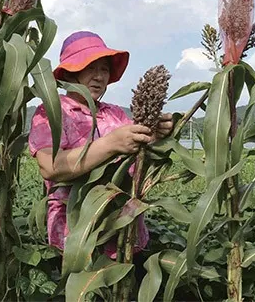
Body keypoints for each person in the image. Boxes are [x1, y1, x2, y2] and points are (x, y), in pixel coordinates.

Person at [28, 31, 174, 264]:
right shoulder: (52, 113)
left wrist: (153, 134)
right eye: (90, 67)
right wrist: (110, 144)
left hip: (125, 235)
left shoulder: (115, 113)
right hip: (77, 241)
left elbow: (137, 158)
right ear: (69, 73)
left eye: (104, 69)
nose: (99, 76)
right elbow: (50, 166)